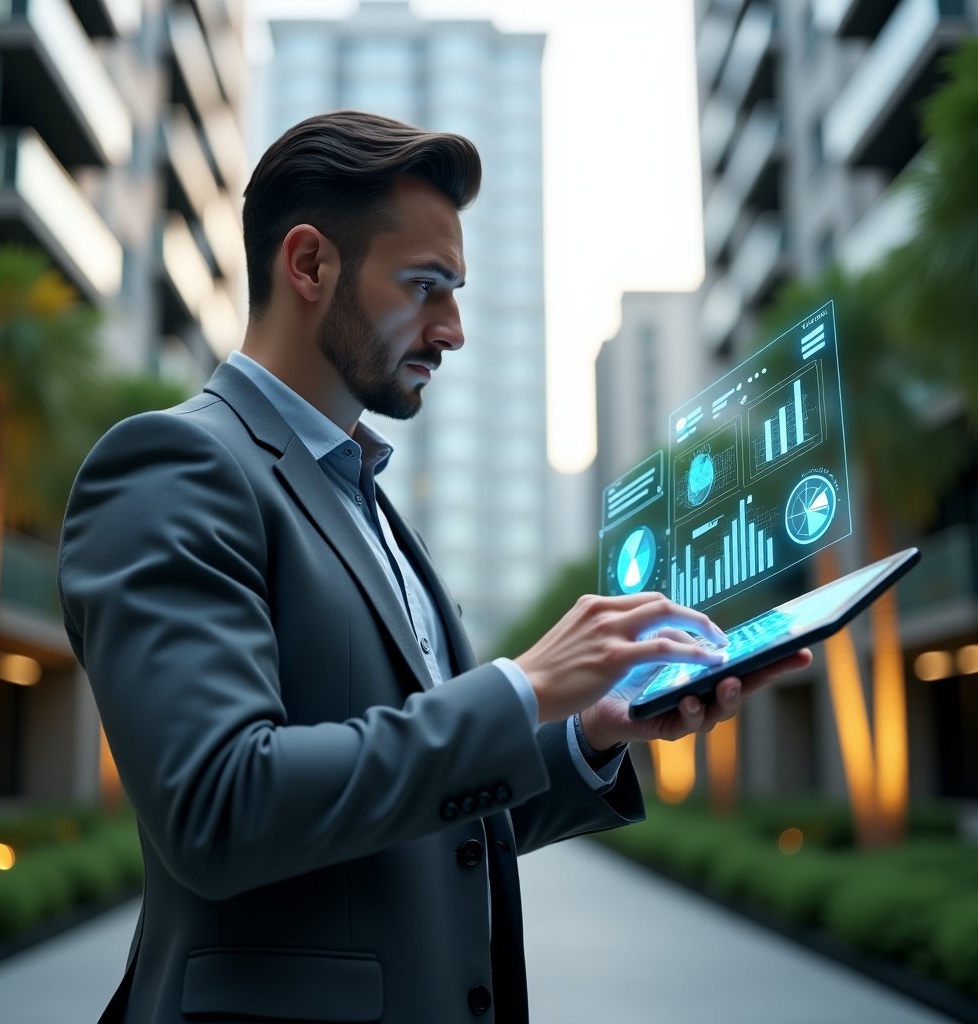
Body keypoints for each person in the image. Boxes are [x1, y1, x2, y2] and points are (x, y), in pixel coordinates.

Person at [57, 111, 810, 1024]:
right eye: (425, 287)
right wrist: (521, 687)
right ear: (308, 266)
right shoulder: (174, 465)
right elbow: (219, 808)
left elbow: (432, 823)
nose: (452, 330)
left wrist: (591, 733)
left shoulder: (360, 495)